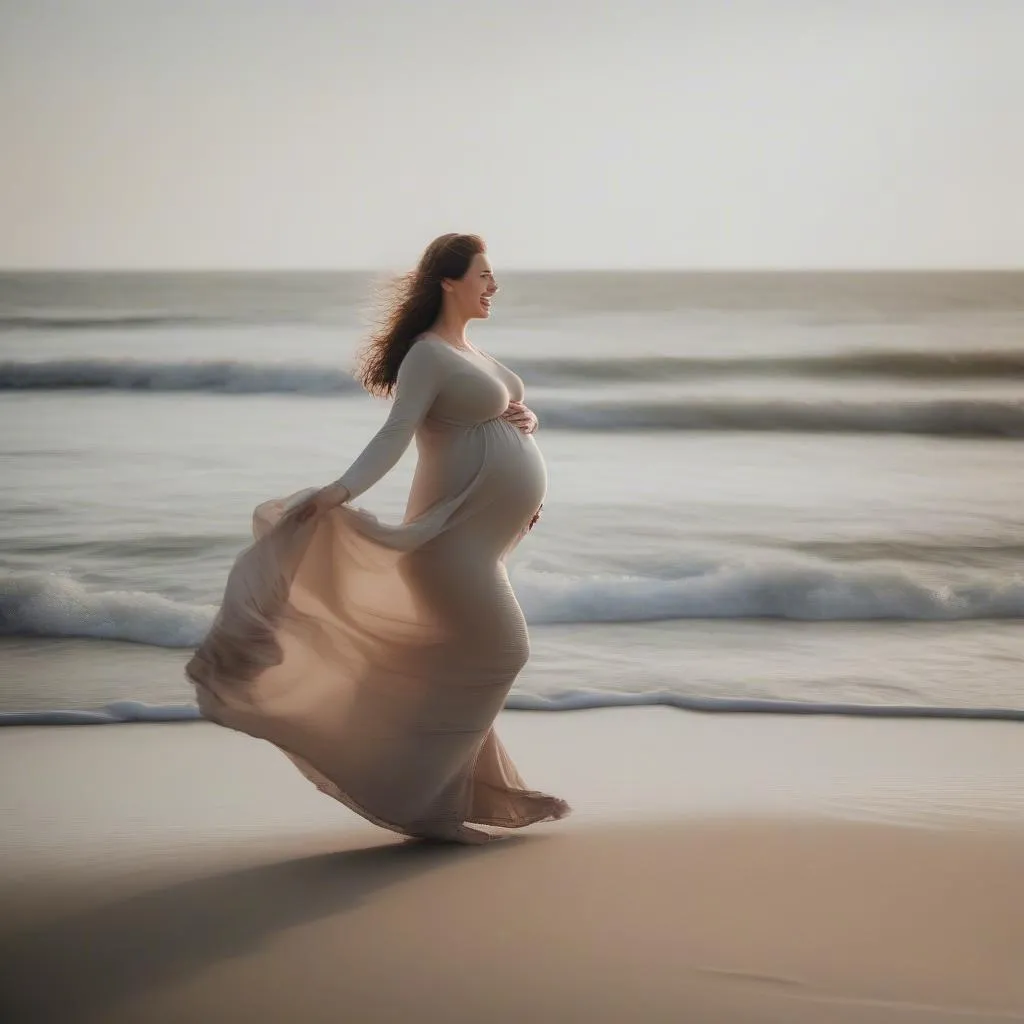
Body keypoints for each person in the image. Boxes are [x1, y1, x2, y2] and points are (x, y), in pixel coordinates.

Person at [186, 233, 570, 844]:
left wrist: (525, 423)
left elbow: (487, 418)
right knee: (502, 653)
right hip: (449, 547)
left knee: (459, 665)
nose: (493, 286)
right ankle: (428, 807)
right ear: (449, 281)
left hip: (479, 542)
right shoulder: (427, 355)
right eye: (484, 275)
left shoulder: (465, 351)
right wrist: (339, 491)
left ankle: (448, 798)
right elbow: (396, 434)